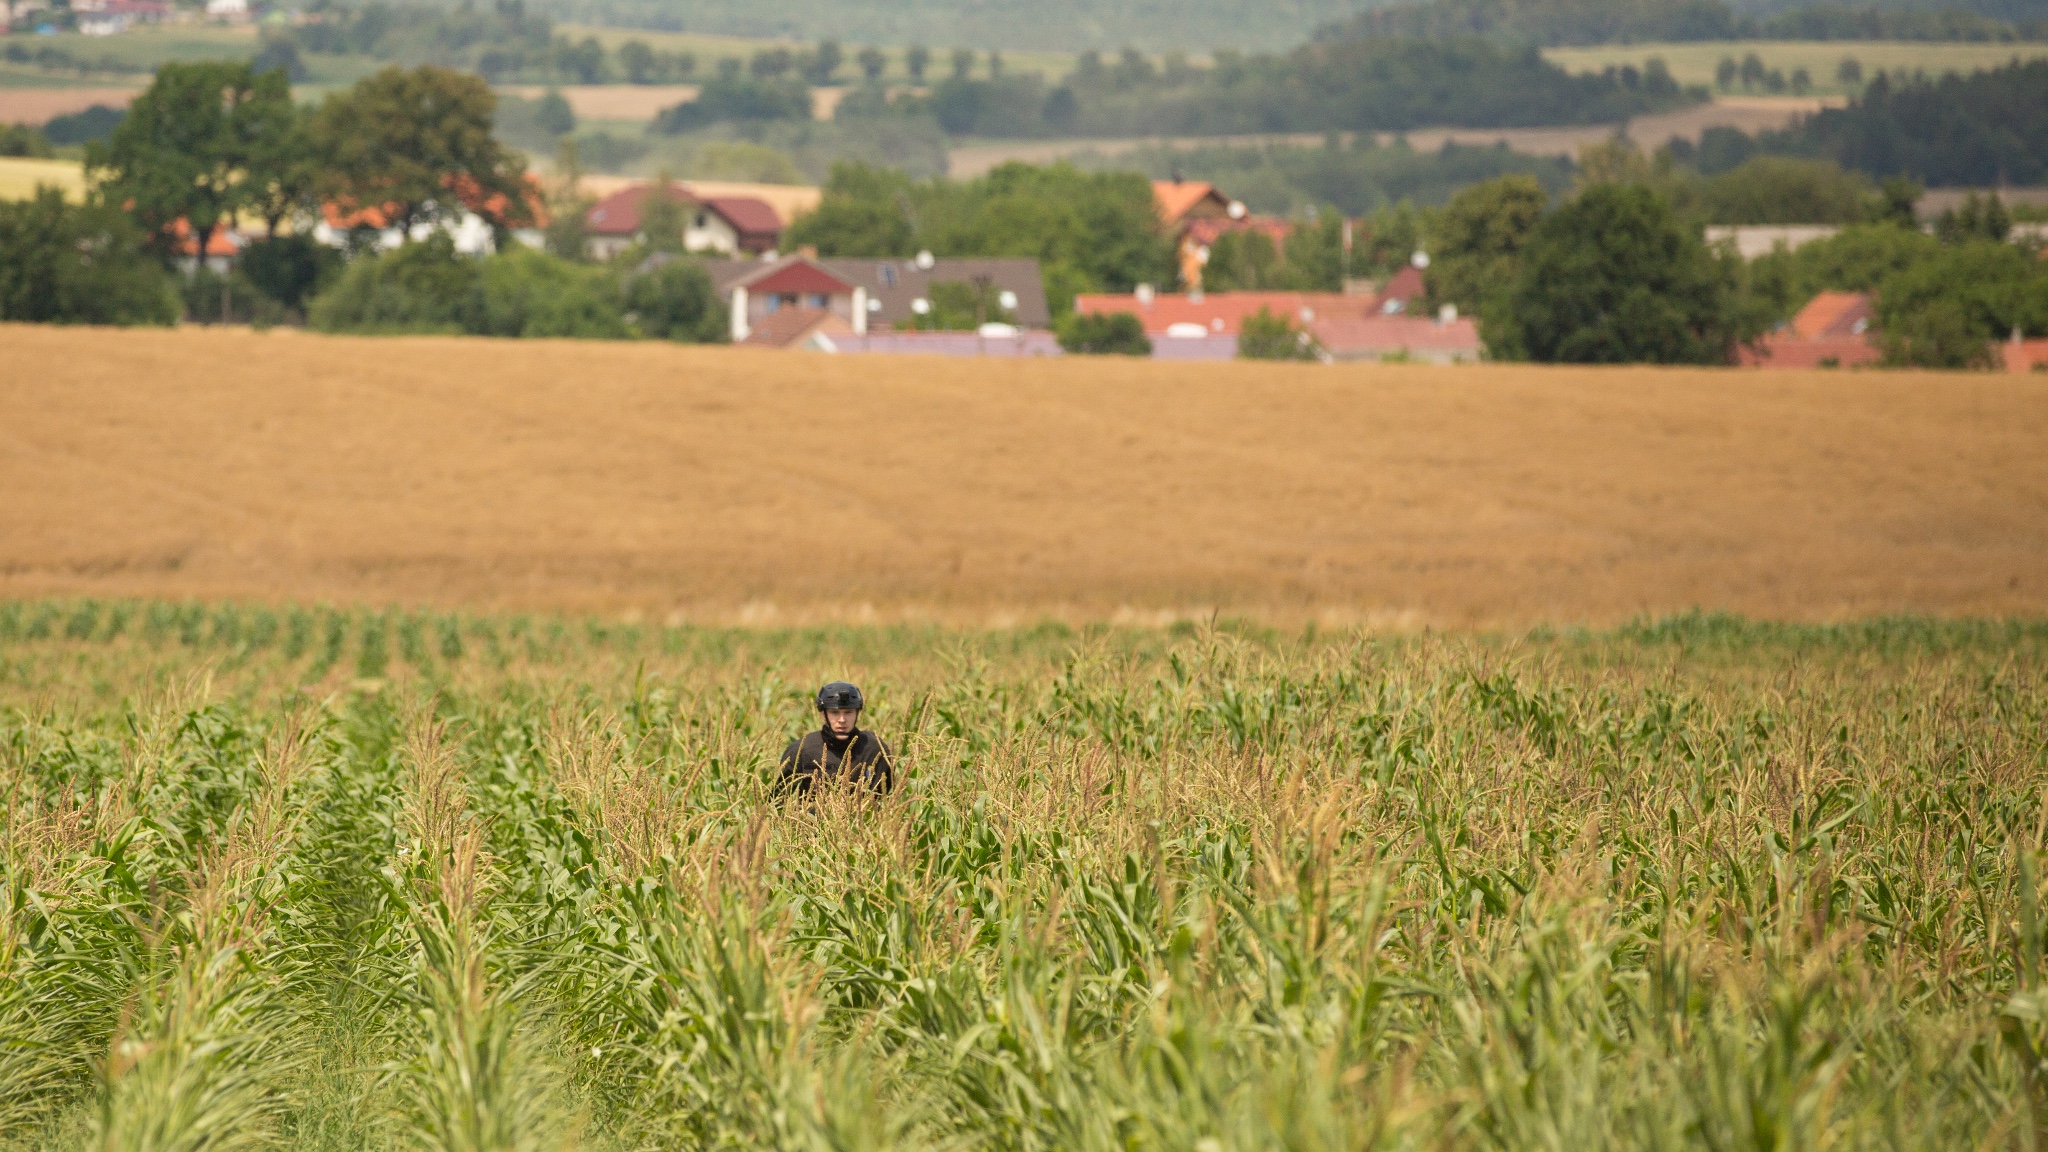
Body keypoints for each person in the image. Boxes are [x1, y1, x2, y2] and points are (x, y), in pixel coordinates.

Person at [777, 681, 894, 797]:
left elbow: (888, 797)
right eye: (835, 713)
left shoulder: (874, 749)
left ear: (857, 713)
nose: (842, 720)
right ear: (823, 715)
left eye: (848, 712)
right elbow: (779, 800)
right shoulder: (802, 750)